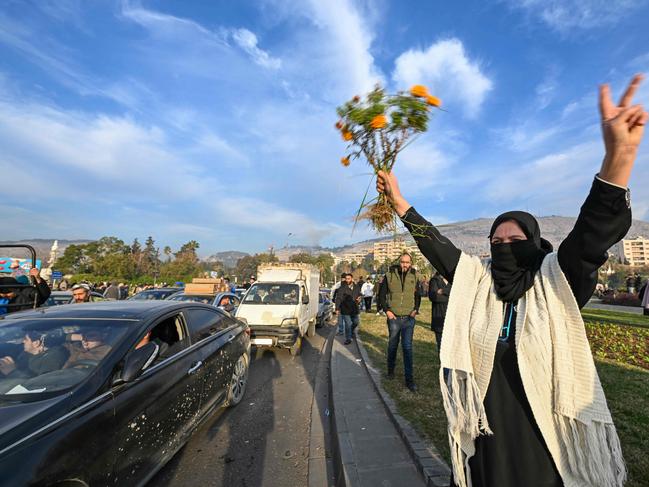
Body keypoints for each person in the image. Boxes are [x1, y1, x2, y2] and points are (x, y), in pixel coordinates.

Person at [375, 74, 646, 487]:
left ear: (536, 243)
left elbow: (592, 233)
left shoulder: (556, 279)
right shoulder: (479, 282)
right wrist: (400, 204)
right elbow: (441, 249)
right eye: (495, 240)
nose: (503, 246)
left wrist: (619, 159)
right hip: (485, 437)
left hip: (544, 439)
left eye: (515, 239)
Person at [377, 252, 421, 392]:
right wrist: (387, 311)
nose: (405, 265)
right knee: (392, 346)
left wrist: (415, 310)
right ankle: (390, 372)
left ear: (411, 263)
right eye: (403, 262)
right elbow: (381, 295)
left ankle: (409, 380)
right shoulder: (389, 275)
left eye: (407, 262)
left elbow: (417, 295)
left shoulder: (414, 275)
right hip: (394, 318)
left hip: (409, 318)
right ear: (399, 261)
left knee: (407, 348)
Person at [0, 329, 68, 378]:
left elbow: (41, 384)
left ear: (36, 343)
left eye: (26, 339)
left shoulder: (54, 357)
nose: (23, 341)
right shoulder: (26, 352)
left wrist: (12, 372)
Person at [335, 273, 361, 345]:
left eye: (348, 279)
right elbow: (338, 298)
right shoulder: (342, 288)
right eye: (346, 279)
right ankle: (348, 339)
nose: (347, 280)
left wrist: (359, 298)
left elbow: (359, 294)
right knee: (348, 324)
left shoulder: (356, 287)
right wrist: (337, 308)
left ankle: (351, 331)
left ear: (352, 279)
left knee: (356, 322)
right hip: (345, 309)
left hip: (354, 308)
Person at [428, 271, 451, 354]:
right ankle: (443, 366)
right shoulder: (434, 280)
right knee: (441, 346)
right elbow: (433, 297)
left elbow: (458, 296)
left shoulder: (453, 279)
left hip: (452, 318)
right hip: (438, 317)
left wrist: (442, 291)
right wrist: (450, 295)